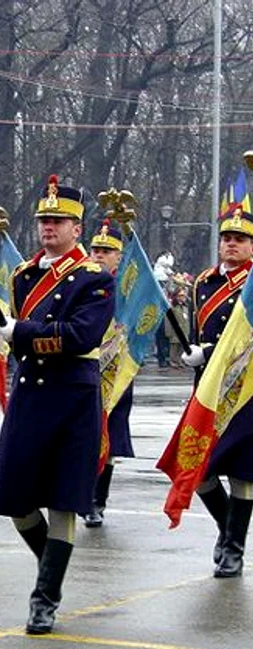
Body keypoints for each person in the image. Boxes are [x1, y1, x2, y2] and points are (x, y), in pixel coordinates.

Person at [0, 175, 115, 635]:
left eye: (59, 220)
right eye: (44, 219)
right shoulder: (24, 275)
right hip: (30, 393)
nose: (49, 227)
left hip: (72, 395)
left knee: (63, 501)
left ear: (77, 228)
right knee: (16, 500)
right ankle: (54, 565)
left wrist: (21, 333)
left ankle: (45, 598)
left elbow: (83, 335)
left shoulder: (95, 278)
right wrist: (17, 337)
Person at [181, 202, 253, 578]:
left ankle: (234, 549)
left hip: (245, 391)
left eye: (240, 239)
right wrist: (195, 352)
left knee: (243, 472)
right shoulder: (203, 283)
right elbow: (199, 332)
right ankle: (228, 530)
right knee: (198, 469)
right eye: (226, 237)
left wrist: (209, 352)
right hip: (208, 389)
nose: (231, 244)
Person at [83, 220, 134, 527]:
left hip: (117, 372)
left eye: (107, 251)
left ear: (119, 256)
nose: (99, 255)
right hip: (85, 369)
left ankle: (96, 501)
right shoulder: (80, 282)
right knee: (84, 436)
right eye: (96, 250)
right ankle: (81, 493)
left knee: (109, 438)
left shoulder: (128, 289)